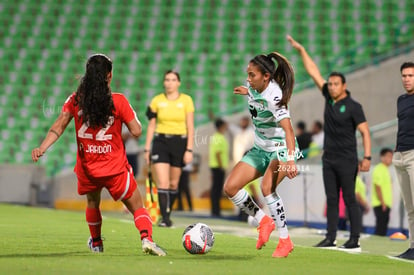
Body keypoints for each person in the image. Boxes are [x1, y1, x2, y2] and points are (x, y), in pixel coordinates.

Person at [31, 54, 166, 256]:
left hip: (89, 169)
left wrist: (42, 147)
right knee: (137, 206)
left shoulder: (75, 100)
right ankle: (147, 239)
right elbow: (137, 131)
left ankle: (96, 243)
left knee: (93, 203)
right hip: (115, 168)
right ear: (109, 76)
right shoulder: (118, 101)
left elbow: (58, 126)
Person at [287, 35, 371, 252]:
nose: (331, 87)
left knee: (350, 198)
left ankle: (354, 239)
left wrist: (367, 157)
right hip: (329, 158)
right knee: (332, 199)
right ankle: (331, 237)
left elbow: (364, 131)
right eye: (330, 83)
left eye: (336, 84)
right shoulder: (327, 97)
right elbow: (314, 71)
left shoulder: (353, 106)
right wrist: (301, 50)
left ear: (344, 85)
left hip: (347, 159)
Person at [223, 51, 298, 258]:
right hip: (260, 148)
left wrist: (290, 160)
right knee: (230, 187)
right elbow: (256, 93)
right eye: (247, 74)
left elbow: (289, 130)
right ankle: (264, 221)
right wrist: (247, 90)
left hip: (281, 148)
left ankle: (285, 241)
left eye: (251, 75)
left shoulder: (275, 97)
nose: (248, 78)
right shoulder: (255, 87)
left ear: (266, 76)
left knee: (267, 188)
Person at [144, 70, 194, 227]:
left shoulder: (186, 100)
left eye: (173, 79)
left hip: (180, 143)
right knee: (163, 182)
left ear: (178, 83)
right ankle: (164, 218)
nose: (170, 82)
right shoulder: (156, 101)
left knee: (174, 184)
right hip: (161, 142)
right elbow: (151, 125)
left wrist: (189, 149)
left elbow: (190, 126)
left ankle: (168, 213)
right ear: (164, 82)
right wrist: (147, 149)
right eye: (167, 79)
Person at [393, 61, 414, 260]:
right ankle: (412, 247)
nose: (407, 79)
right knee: (409, 207)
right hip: (400, 154)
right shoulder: (401, 100)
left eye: (411, 76)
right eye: (404, 76)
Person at [209, 118, 229, 217]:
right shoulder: (219, 137)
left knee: (216, 188)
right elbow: (218, 153)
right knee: (216, 189)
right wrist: (221, 166)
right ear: (221, 126)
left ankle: (215, 209)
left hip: (216, 166)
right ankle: (215, 210)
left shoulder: (216, 137)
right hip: (218, 166)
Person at [371, 148, 393, 236]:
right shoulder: (379, 169)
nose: (390, 159)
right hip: (380, 204)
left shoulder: (386, 170)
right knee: (380, 228)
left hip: (386, 204)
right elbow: (377, 187)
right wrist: (382, 202)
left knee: (383, 227)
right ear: (382, 157)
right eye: (388, 156)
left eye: (391, 156)